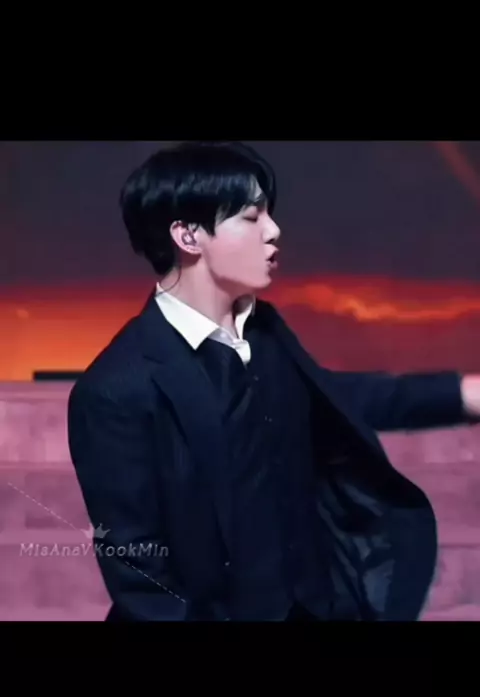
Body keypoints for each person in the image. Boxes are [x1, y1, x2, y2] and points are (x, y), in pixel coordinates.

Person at [67, 141, 480, 621]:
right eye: (251, 216)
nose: (274, 230)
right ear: (188, 235)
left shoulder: (265, 331)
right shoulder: (114, 388)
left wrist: (460, 394)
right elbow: (141, 575)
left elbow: (330, 397)